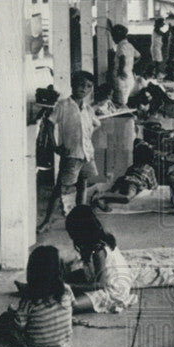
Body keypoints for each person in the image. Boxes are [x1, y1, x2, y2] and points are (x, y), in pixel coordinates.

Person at [38, 71, 102, 234]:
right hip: (72, 154)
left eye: (88, 86)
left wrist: (86, 138)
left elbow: (96, 124)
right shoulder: (63, 105)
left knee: (83, 185)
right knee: (60, 188)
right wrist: (55, 146)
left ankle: (81, 220)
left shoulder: (88, 109)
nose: (84, 89)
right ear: (73, 85)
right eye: (81, 84)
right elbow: (49, 123)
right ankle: (47, 221)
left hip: (87, 154)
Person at [64, 205, 137, 314]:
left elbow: (100, 285)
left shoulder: (98, 250)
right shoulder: (95, 241)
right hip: (103, 279)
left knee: (69, 306)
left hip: (113, 289)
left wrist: (71, 286)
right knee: (66, 278)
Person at [0, 245, 74, 347]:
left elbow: (20, 325)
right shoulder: (66, 290)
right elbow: (72, 305)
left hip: (36, 343)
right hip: (64, 341)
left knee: (4, 318)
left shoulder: (30, 297)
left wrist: (14, 314)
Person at [92, 142, 158, 208]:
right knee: (127, 198)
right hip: (134, 184)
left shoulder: (132, 167)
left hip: (122, 180)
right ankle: (101, 195)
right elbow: (153, 186)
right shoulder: (149, 169)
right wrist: (144, 187)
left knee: (114, 194)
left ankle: (101, 199)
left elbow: (126, 177)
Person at [110, 24, 139, 107]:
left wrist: (121, 70)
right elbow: (138, 56)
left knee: (121, 99)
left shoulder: (121, 45)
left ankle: (123, 114)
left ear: (118, 36)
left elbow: (122, 57)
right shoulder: (130, 45)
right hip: (129, 75)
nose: (112, 39)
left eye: (113, 36)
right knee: (125, 97)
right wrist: (131, 65)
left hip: (121, 76)